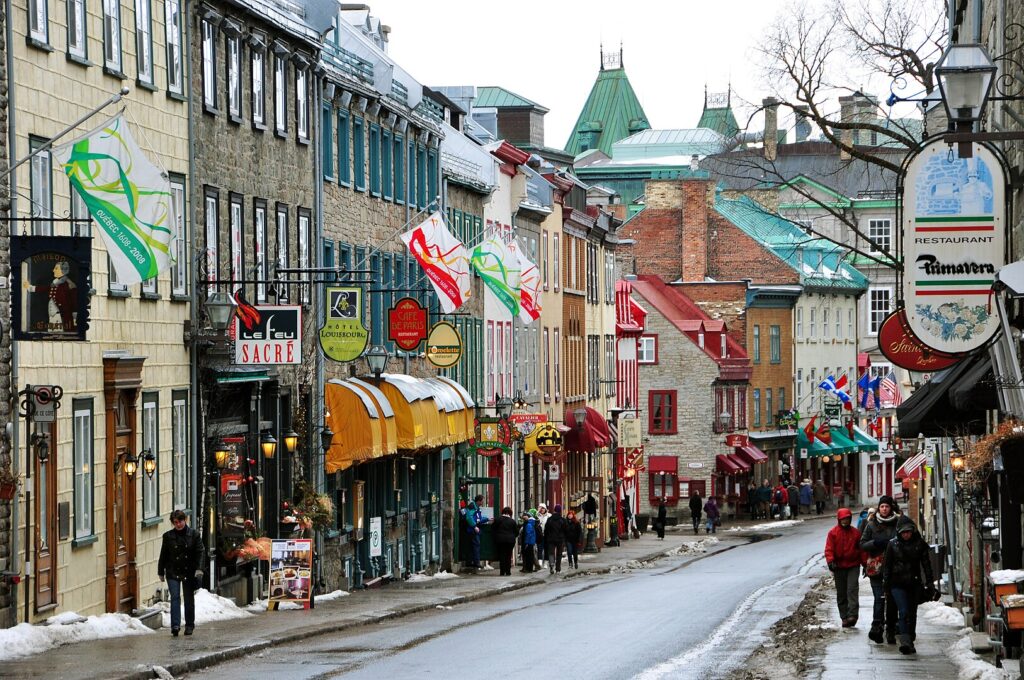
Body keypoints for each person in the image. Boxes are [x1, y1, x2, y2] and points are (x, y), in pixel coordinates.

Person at [883, 516, 935, 655]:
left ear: (912, 531)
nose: (906, 534)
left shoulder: (919, 544)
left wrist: (930, 583)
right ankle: (905, 641)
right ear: (899, 532)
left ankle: (910, 638)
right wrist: (886, 586)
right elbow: (887, 567)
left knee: (912, 613)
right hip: (897, 584)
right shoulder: (892, 545)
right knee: (904, 611)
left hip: (914, 583)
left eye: (908, 532)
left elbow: (926, 565)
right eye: (903, 532)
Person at [859, 495, 901, 644]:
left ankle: (893, 625)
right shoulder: (871, 524)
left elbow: (904, 539)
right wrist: (875, 543)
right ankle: (877, 626)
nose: (884, 509)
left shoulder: (898, 523)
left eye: (887, 506)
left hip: (894, 567)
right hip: (876, 568)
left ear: (891, 508)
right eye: (882, 506)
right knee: (879, 598)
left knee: (892, 598)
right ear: (879, 508)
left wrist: (893, 545)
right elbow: (862, 544)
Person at [158, 509, 204, 637]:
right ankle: (175, 625)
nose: (178, 525)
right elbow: (164, 555)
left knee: (188, 599)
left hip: (189, 571)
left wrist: (198, 570)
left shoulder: (194, 535)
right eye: (175, 522)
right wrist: (161, 571)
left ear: (185, 520)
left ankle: (189, 625)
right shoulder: (168, 537)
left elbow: (200, 552)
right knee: (175, 597)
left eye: (180, 521)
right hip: (173, 571)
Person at [824, 507, 864, 628]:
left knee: (852, 590)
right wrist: (830, 561)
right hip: (839, 566)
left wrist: (866, 565)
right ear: (839, 520)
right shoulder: (833, 533)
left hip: (853, 565)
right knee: (841, 592)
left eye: (847, 519)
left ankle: (853, 615)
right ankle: (844, 617)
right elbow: (829, 548)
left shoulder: (856, 533)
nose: (845, 521)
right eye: (843, 519)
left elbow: (862, 550)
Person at [464, 494, 489, 570]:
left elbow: (479, 518)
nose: (482, 503)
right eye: (482, 501)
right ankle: (476, 562)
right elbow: (469, 517)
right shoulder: (472, 507)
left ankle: (471, 562)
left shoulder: (476, 507)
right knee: (476, 545)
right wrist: (474, 526)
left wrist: (487, 519)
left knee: (472, 546)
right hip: (472, 530)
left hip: (473, 529)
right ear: (478, 501)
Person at [492, 507, 518, 576]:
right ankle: (508, 572)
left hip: (500, 540)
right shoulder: (512, 521)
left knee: (502, 555)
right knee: (508, 556)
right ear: (510, 513)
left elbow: (493, 529)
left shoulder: (498, 520)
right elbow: (516, 532)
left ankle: (502, 572)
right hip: (510, 541)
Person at [544, 505, 568, 574]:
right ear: (560, 511)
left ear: (554, 510)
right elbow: (566, 530)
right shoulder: (562, 520)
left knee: (551, 552)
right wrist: (564, 538)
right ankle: (558, 569)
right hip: (560, 539)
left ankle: (551, 564)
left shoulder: (550, 519)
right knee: (559, 554)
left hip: (551, 539)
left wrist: (546, 538)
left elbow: (546, 530)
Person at [536, 503, 550, 568]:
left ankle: (546, 563)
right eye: (540, 508)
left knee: (546, 549)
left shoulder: (549, 516)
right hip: (539, 535)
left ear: (545, 509)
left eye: (543, 508)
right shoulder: (536, 516)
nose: (541, 509)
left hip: (547, 535)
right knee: (539, 548)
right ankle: (540, 563)